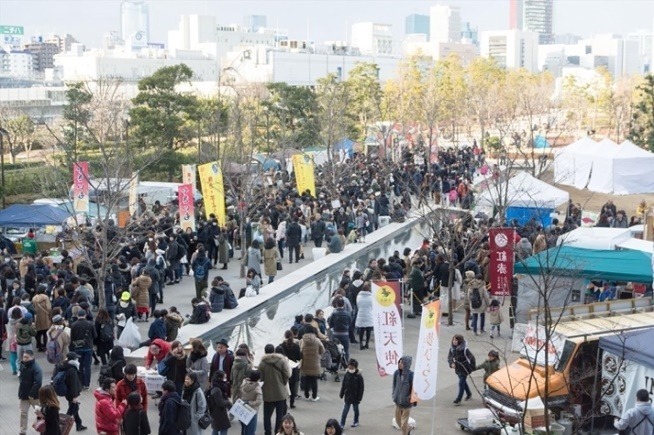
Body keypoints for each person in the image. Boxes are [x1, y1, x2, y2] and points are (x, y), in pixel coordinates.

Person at [259, 343, 291, 435]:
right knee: (280, 415)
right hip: (280, 392)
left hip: (267, 393)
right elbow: (287, 374)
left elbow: (261, 377)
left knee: (267, 415)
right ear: (274, 351)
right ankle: (278, 431)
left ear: (265, 352)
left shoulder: (262, 363)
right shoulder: (281, 360)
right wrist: (283, 383)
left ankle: (267, 432)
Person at [69, 308, 96, 389]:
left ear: (77, 315)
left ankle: (80, 382)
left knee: (79, 365)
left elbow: (72, 337)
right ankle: (86, 384)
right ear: (85, 315)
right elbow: (95, 335)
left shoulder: (73, 325)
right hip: (88, 347)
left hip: (78, 348)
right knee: (87, 366)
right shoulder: (90, 324)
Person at [59, 352, 86, 431]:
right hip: (72, 393)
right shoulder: (72, 369)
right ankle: (63, 425)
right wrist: (75, 396)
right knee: (72, 409)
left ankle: (79, 424)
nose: (78, 359)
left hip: (67, 392)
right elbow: (74, 384)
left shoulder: (65, 366)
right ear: (73, 360)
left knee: (74, 408)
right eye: (76, 358)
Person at [18, 349, 43, 435]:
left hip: (34, 396)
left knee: (40, 413)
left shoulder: (36, 368)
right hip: (24, 395)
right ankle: (22, 431)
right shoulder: (22, 365)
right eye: (24, 357)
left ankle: (44, 429)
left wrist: (31, 394)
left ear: (32, 357)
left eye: (26, 357)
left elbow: (38, 382)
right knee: (23, 413)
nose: (24, 359)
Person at [448, 334, 476, 405]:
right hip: (457, 368)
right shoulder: (452, 348)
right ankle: (469, 394)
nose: (454, 341)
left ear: (460, 341)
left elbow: (472, 358)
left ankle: (458, 399)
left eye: (456, 340)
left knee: (461, 383)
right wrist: (451, 363)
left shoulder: (465, 349)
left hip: (464, 368)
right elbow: (450, 357)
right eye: (453, 340)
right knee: (463, 382)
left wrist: (471, 368)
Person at [300, 325, 324, 402]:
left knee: (306, 379)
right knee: (314, 380)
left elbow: (300, 351)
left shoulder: (302, 341)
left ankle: (306, 395)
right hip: (315, 362)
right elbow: (322, 350)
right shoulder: (317, 340)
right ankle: (314, 396)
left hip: (305, 362)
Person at [392, 355, 415, 435]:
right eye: (399, 362)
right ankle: (408, 428)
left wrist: (409, 398)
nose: (400, 364)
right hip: (398, 402)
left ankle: (405, 432)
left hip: (406, 404)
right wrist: (394, 395)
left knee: (403, 424)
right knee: (399, 423)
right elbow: (394, 385)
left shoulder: (411, 375)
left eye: (402, 363)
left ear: (406, 364)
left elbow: (414, 389)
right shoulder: (396, 373)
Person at [279, 330, 301, 409]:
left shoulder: (281, 346)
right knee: (293, 387)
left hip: (284, 368)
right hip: (294, 368)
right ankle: (292, 403)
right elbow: (299, 357)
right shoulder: (296, 346)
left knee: (285, 386)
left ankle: (284, 403)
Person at [339, 358, 364, 428]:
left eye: (352, 368)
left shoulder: (359, 376)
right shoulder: (347, 374)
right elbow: (343, 385)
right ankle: (342, 423)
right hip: (348, 396)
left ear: (355, 368)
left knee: (356, 409)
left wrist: (359, 398)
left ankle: (356, 421)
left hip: (355, 397)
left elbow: (361, 388)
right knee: (345, 411)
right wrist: (341, 393)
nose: (350, 369)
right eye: (349, 367)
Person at [328, 296, 352, 363]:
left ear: (336, 304)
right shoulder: (347, 314)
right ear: (343, 304)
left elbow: (330, 325)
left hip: (336, 334)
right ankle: (346, 363)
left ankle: (335, 363)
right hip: (345, 334)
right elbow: (350, 323)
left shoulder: (334, 314)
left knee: (335, 350)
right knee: (346, 350)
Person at [207, 370, 231, 435]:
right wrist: (228, 403)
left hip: (216, 412)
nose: (225, 379)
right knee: (224, 428)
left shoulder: (216, 386)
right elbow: (220, 402)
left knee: (216, 428)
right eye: (224, 377)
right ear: (220, 378)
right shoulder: (217, 389)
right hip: (218, 412)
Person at [239, 370, 263, 435]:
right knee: (251, 430)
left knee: (244, 429)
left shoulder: (244, 383)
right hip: (252, 411)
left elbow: (240, 392)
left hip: (243, 409)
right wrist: (250, 403)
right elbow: (259, 401)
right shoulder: (257, 388)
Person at [355, 283, 374, 349]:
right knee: (368, 330)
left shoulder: (359, 296)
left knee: (361, 330)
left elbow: (358, 305)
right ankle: (367, 343)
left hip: (361, 314)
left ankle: (361, 343)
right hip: (369, 314)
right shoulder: (371, 297)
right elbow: (373, 306)